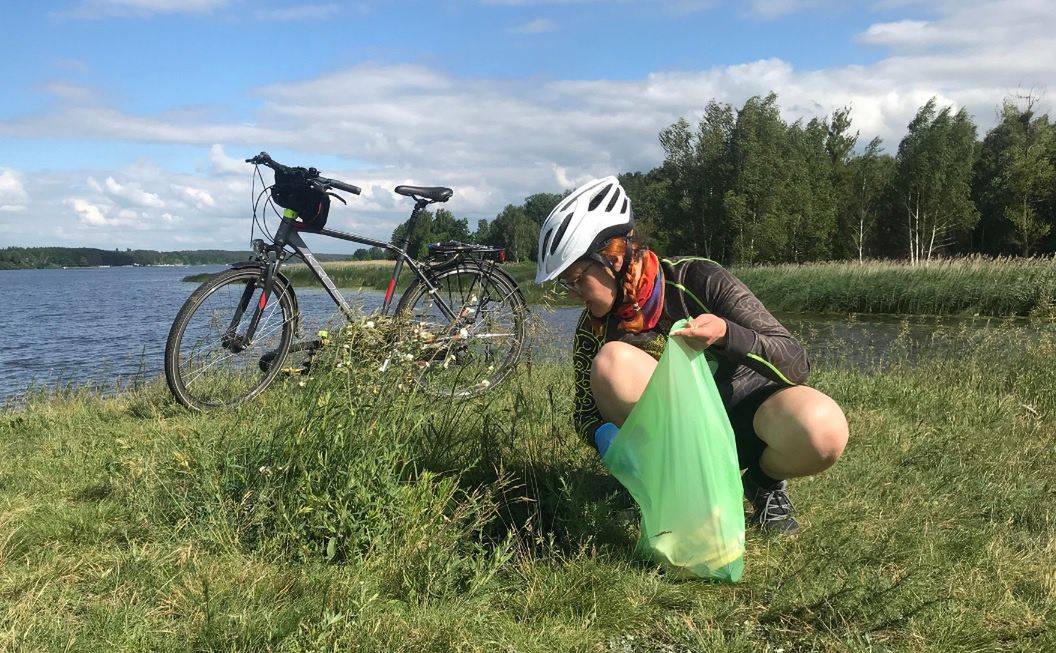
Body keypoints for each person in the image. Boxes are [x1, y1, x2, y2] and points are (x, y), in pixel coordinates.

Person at [536, 176, 849, 534]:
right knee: (612, 362)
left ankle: (763, 482)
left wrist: (727, 334)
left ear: (613, 257)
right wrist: (609, 442)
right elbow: (584, 414)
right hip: (681, 446)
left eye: (577, 278)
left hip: (746, 419)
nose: (573, 292)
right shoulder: (594, 328)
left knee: (823, 428)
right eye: (567, 283)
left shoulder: (697, 279)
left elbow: (796, 361)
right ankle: (667, 490)